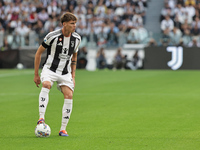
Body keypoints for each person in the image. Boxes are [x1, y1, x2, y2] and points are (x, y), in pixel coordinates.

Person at [33, 12, 81, 137]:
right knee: (47, 85)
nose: (74, 26)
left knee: (69, 95)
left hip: (65, 72)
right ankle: (41, 118)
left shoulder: (77, 39)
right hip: (50, 69)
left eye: (75, 23)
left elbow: (74, 56)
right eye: (72, 23)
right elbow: (38, 53)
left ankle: (63, 129)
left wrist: (73, 76)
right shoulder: (52, 36)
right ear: (64, 24)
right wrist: (36, 75)